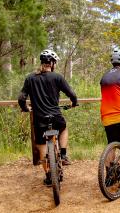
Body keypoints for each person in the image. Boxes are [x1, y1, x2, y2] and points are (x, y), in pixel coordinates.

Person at [18, 49, 78, 186]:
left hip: (39, 119)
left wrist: (25, 108)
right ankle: (63, 155)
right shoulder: (57, 77)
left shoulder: (30, 78)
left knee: (41, 146)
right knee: (63, 128)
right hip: (56, 116)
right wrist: (74, 103)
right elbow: (72, 95)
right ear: (52, 63)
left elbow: (21, 98)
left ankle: (49, 176)